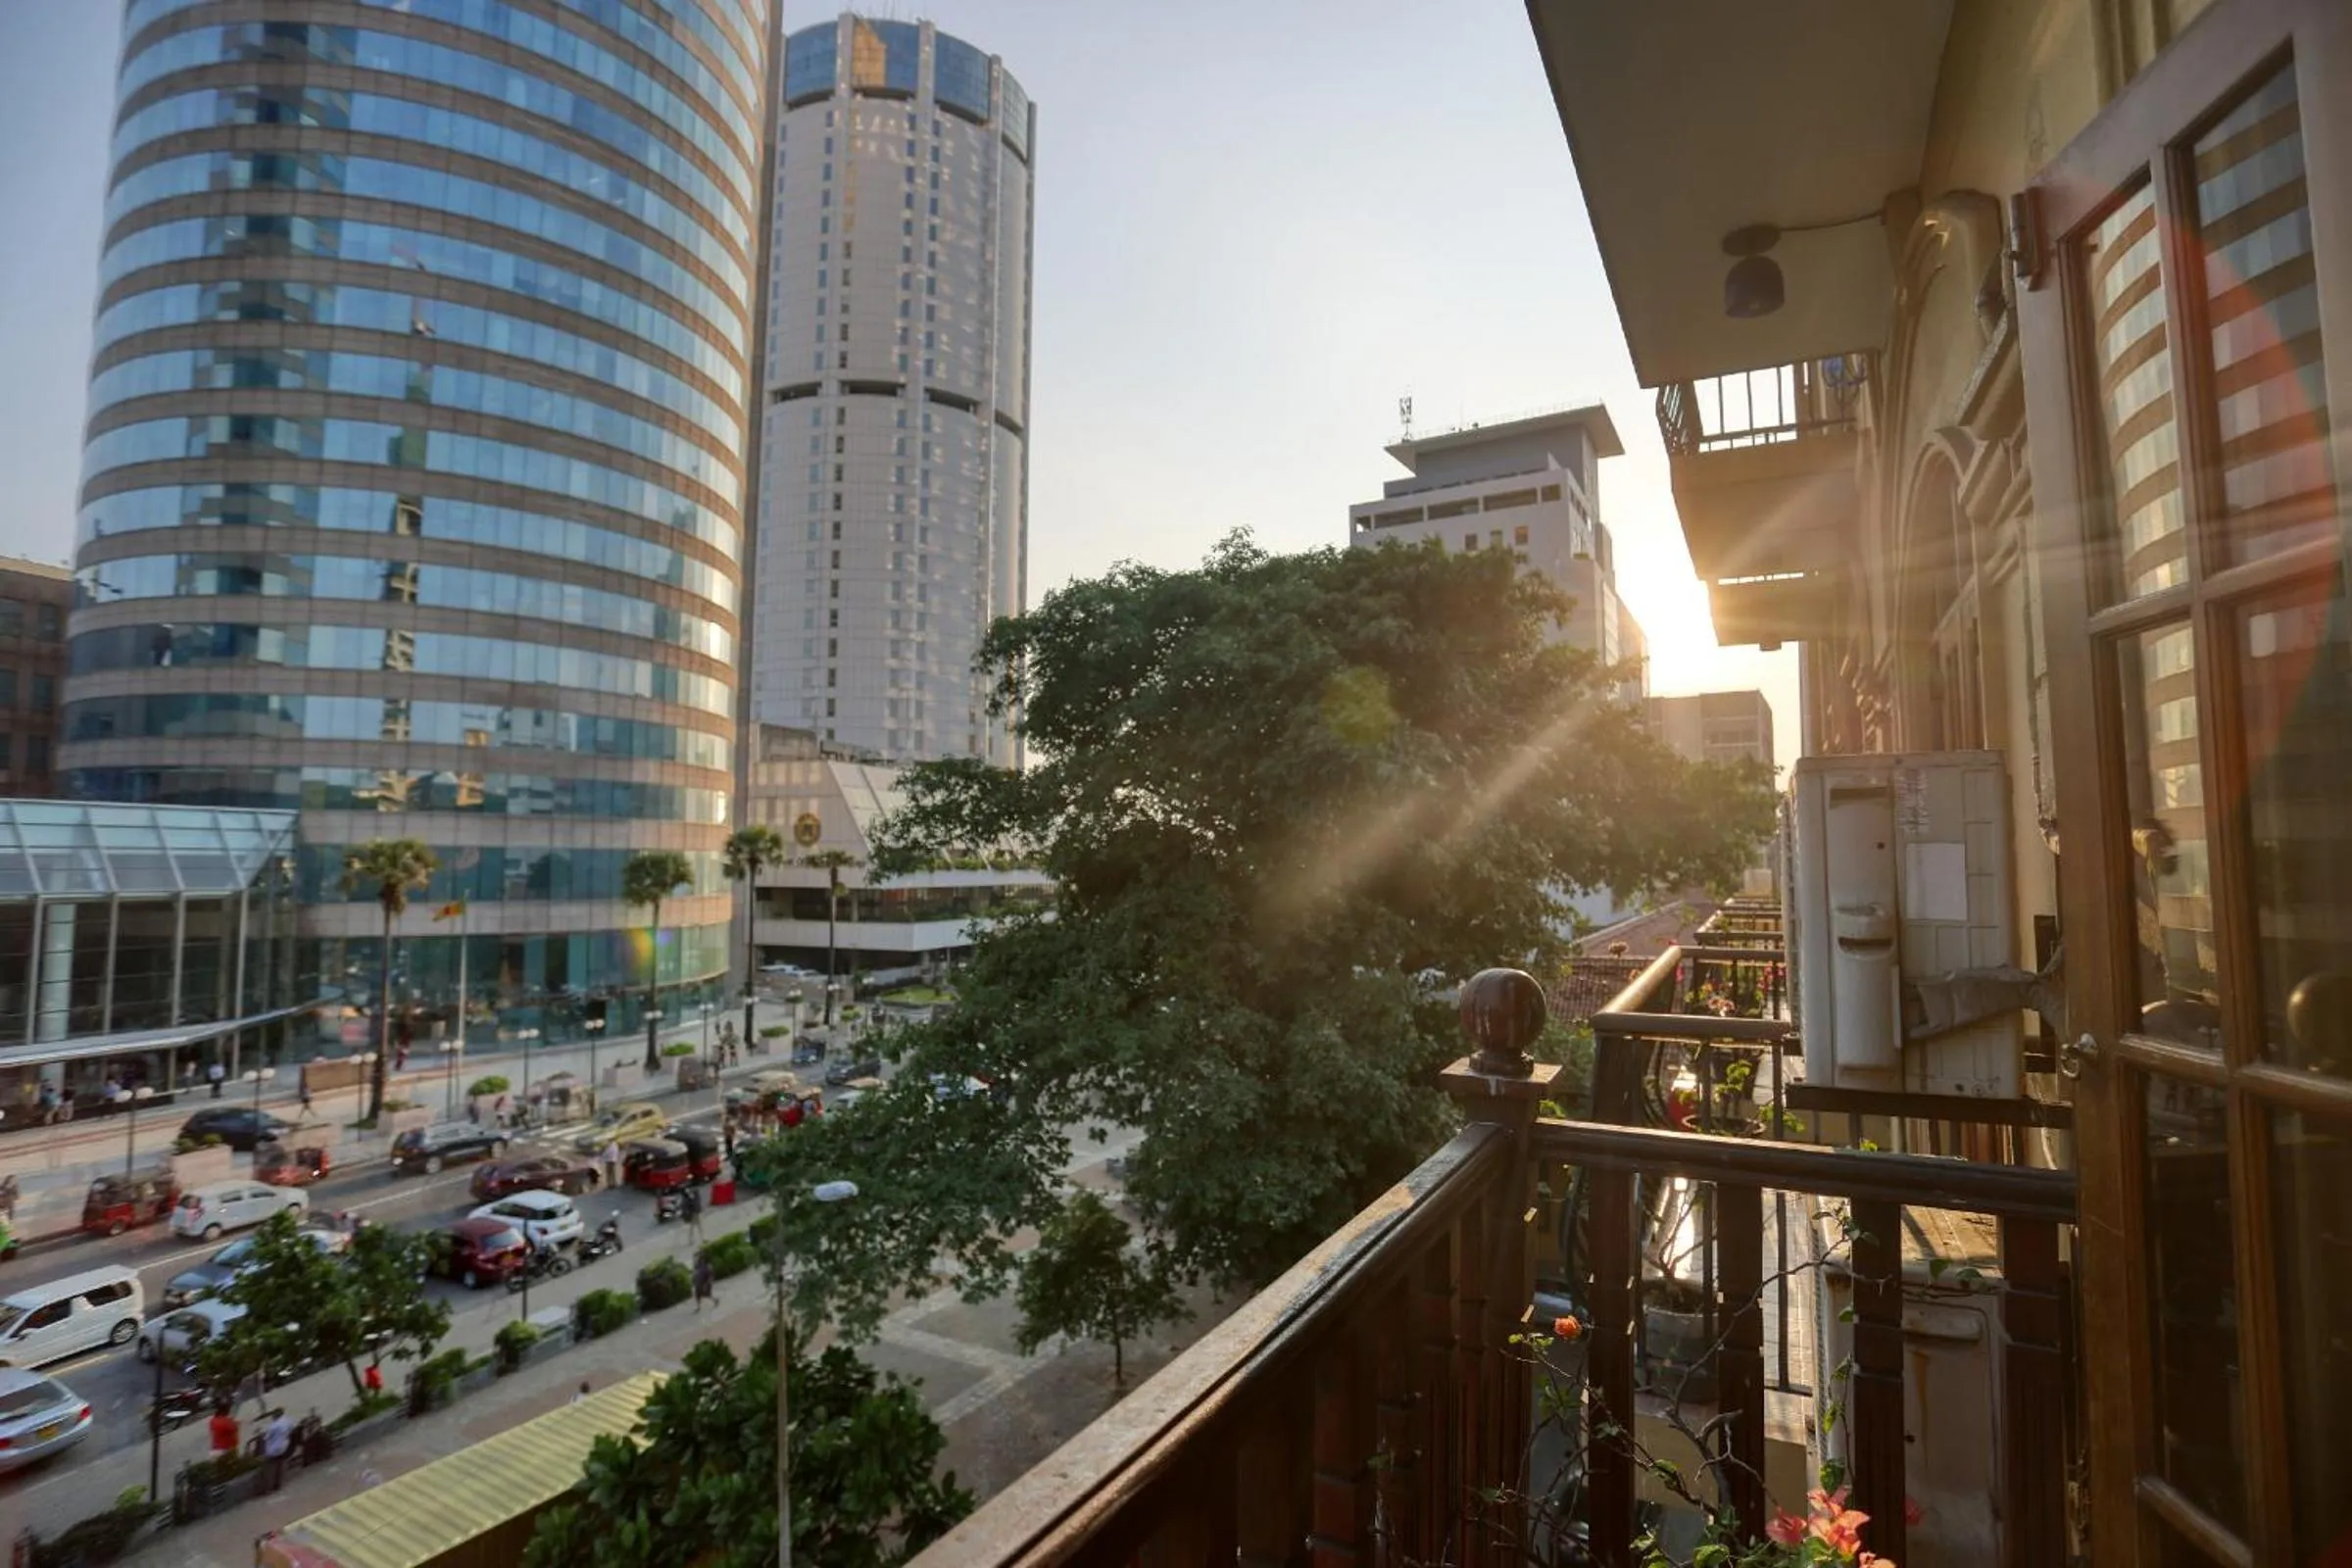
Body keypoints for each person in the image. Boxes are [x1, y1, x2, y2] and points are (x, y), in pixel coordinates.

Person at [261, 1407, 295, 1491]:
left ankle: (269, 1487)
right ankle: (279, 1484)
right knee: (281, 1466)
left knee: (271, 1469)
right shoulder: (288, 1421)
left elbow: (266, 1438)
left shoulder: (273, 1426)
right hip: (284, 1446)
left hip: (272, 1450)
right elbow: (291, 1429)